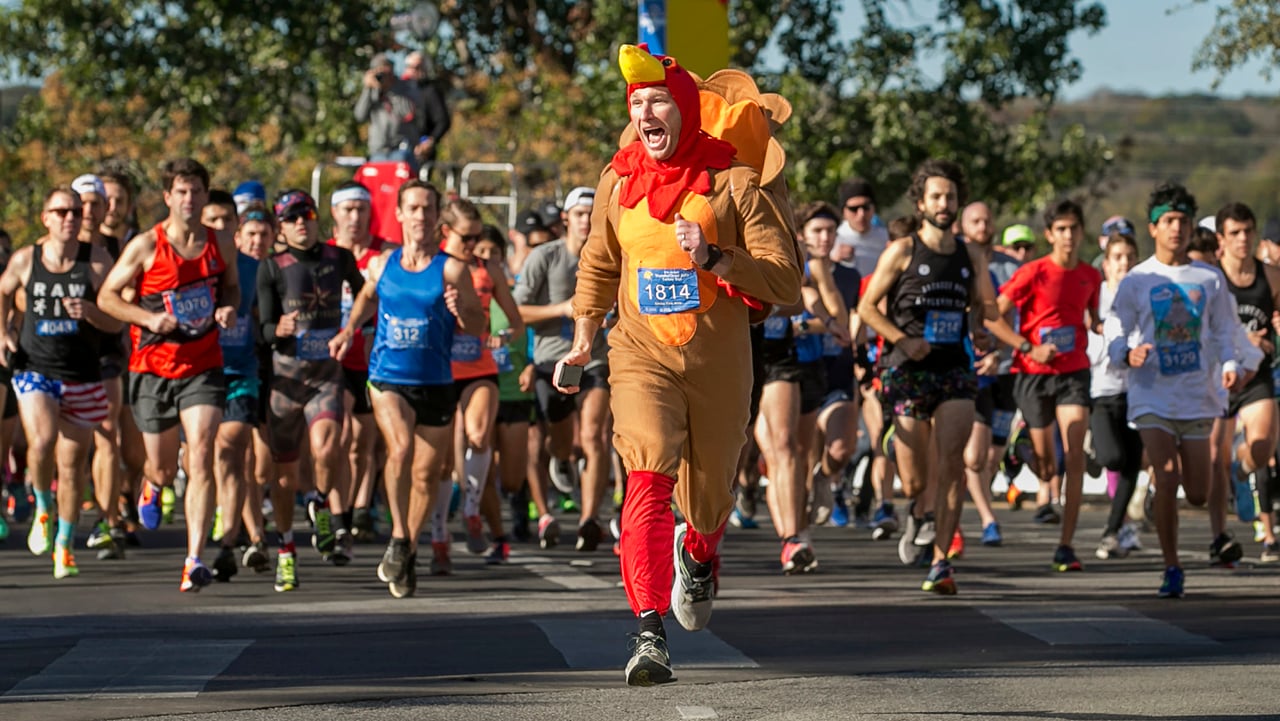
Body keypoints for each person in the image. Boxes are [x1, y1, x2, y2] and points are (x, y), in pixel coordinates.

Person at [555, 44, 802, 685]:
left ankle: (698, 552)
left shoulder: (734, 181)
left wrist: (717, 256)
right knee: (648, 466)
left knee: (710, 494)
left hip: (719, 361)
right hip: (640, 353)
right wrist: (584, 337)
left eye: (658, 100)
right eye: (636, 104)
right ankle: (647, 630)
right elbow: (599, 266)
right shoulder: (617, 179)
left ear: (686, 109)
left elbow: (785, 280)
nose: (645, 113)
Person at [329, 179, 486, 598]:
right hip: (387, 377)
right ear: (398, 214)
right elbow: (365, 297)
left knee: (426, 475)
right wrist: (348, 331)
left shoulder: (452, 269)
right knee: (399, 449)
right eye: (412, 208)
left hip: (435, 380)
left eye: (427, 209)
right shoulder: (382, 264)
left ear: (437, 218)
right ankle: (400, 538)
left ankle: (407, 547)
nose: (420, 215)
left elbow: (476, 326)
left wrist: (462, 310)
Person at [1105, 182, 1257, 598]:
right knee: (1167, 474)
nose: (1177, 228)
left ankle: (1161, 495)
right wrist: (1126, 352)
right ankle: (1171, 566)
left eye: (1184, 221)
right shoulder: (1138, 279)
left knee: (1198, 491)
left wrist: (1229, 364)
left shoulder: (1208, 278)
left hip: (1196, 394)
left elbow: (1225, 329)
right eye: (1168, 221)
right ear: (1153, 228)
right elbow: (1116, 326)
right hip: (1151, 392)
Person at [97, 158, 240, 593]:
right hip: (152, 368)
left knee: (200, 452)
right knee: (160, 466)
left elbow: (231, 285)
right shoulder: (145, 245)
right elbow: (105, 297)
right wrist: (146, 317)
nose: (190, 199)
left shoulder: (221, 243)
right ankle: (152, 485)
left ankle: (193, 558)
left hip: (203, 364)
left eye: (196, 191)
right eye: (181, 191)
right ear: (167, 197)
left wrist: (229, 305)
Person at [857, 158, 998, 595]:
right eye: (936, 196)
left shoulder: (971, 254)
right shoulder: (902, 251)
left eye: (950, 196)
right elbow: (866, 308)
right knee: (917, 481)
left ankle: (940, 563)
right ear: (921, 203)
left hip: (954, 368)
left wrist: (980, 329)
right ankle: (918, 510)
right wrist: (903, 339)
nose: (944, 203)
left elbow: (983, 307)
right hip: (909, 369)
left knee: (952, 465)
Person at [0, 187, 120, 578]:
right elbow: (2, 291)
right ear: (45, 218)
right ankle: (41, 506)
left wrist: (91, 312)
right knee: (43, 439)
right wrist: (2, 332)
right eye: (61, 211)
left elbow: (116, 321)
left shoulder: (98, 261)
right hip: (35, 367)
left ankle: (64, 544)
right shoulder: (26, 259)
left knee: (71, 466)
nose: (70, 217)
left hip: (83, 373)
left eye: (75, 211)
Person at [987, 200, 1102, 573]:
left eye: (1074, 228)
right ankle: (1025, 449)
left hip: (1074, 372)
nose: (1069, 236)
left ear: (1082, 232)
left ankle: (1066, 545)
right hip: (1033, 372)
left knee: (1074, 456)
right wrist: (1026, 346)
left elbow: (1094, 318)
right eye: (1061, 229)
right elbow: (993, 315)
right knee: (1049, 469)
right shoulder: (1033, 272)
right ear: (1050, 234)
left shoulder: (1090, 275)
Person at [258, 190, 364, 590]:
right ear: (281, 227)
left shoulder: (339, 258)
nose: (302, 222)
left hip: (325, 376)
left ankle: (319, 498)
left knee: (328, 446)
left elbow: (366, 296)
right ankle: (286, 549)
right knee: (283, 478)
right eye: (291, 218)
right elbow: (264, 326)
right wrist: (276, 330)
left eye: (308, 214)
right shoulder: (273, 267)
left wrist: (350, 328)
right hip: (285, 381)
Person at [514, 186, 612, 551]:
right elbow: (517, 311)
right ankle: (561, 461)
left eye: (593, 213)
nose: (587, 221)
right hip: (551, 361)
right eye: (580, 214)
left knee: (595, 436)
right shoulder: (544, 257)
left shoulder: (611, 258)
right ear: (566, 219)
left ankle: (589, 519)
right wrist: (562, 309)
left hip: (596, 360)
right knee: (558, 442)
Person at [430, 198, 524, 571]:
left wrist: (503, 336)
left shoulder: (489, 271)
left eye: (476, 238)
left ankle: (470, 511)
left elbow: (516, 323)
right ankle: (439, 535)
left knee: (479, 434)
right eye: (465, 238)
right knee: (439, 464)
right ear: (446, 233)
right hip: (437, 370)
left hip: (479, 366)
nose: (472, 246)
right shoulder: (431, 267)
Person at [1215, 202, 1280, 564]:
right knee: (1213, 462)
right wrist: (1243, 337)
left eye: (1248, 231)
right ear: (1221, 239)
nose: (1243, 239)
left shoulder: (1269, 276)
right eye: (1235, 233)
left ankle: (1244, 468)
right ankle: (1220, 535)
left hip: (1257, 376)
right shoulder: (1211, 277)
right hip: (1218, 379)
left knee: (1263, 447)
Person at [214, 206, 274, 580]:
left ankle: (252, 534)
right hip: (216, 373)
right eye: (250, 234)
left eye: (264, 235)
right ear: (238, 237)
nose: (257, 242)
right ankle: (238, 538)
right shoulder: (221, 265)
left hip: (264, 369)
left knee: (259, 464)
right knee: (230, 452)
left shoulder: (275, 270)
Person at [326, 181, 386, 542]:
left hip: (372, 357)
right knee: (341, 436)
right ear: (334, 213)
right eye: (347, 209)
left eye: (361, 209)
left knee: (364, 442)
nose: (354, 217)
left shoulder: (383, 256)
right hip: (333, 358)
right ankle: (341, 511)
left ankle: (361, 508)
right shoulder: (326, 254)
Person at [1089, 232, 1144, 560]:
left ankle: (1111, 531)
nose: (1124, 263)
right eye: (1118, 257)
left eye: (1130, 257)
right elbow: (1092, 349)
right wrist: (1110, 342)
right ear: (1106, 264)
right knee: (1112, 458)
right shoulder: (1095, 299)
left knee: (1131, 466)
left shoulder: (1143, 297)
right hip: (1103, 392)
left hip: (1136, 392)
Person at [354, 54, 423, 169]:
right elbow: (359, 115)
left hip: (402, 150)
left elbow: (408, 112)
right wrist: (367, 89)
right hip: (377, 151)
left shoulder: (405, 87)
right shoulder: (373, 89)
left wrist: (391, 88)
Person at [402, 51, 452, 167]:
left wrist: (429, 141)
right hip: (398, 149)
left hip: (421, 151)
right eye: (410, 67)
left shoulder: (430, 91)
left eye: (418, 67)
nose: (414, 70)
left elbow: (442, 120)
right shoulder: (399, 90)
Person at [834, 178, 889, 279]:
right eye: (854, 209)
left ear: (874, 208)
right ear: (843, 212)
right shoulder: (832, 239)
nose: (861, 214)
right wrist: (832, 262)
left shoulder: (887, 237)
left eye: (866, 207)